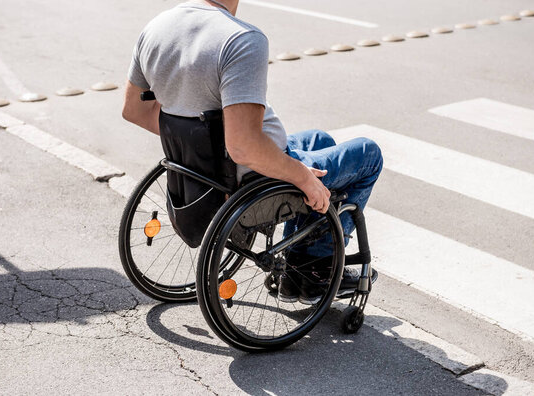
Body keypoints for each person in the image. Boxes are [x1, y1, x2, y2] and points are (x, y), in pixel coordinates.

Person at [122, 0, 383, 304]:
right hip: (249, 174)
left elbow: (134, 111)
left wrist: (200, 141)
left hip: (205, 168)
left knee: (320, 139)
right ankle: (314, 271)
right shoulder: (240, 39)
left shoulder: (156, 28)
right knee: (368, 154)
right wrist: (301, 176)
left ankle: (301, 263)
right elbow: (244, 146)